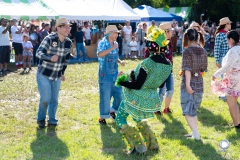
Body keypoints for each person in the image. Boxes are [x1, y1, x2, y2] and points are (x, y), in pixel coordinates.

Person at [115, 28, 172, 154]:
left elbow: (137, 85)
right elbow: (161, 83)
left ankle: (138, 147)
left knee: (120, 119)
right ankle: (152, 144)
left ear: (151, 46)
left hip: (136, 96)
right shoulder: (168, 64)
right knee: (138, 119)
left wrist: (122, 81)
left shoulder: (147, 63)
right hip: (150, 97)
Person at [36, 17, 72, 129]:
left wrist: (62, 72)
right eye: (65, 27)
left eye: (68, 27)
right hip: (44, 74)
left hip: (56, 75)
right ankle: (41, 119)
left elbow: (65, 60)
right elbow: (38, 53)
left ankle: (52, 120)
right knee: (46, 98)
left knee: (54, 100)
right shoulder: (49, 39)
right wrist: (49, 58)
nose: (68, 29)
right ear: (58, 28)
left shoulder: (68, 43)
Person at [181, 28, 208, 140]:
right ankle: (194, 132)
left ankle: (196, 133)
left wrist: (187, 84)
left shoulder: (186, 51)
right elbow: (204, 69)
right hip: (199, 83)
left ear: (187, 37)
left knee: (187, 109)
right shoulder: (203, 51)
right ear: (197, 37)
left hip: (189, 83)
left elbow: (187, 69)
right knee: (193, 109)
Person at [97, 25, 125, 125]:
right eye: (115, 33)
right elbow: (100, 54)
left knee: (119, 95)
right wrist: (112, 47)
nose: (117, 34)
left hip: (115, 73)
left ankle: (112, 110)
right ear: (109, 34)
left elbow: (115, 56)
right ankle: (102, 117)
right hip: (105, 75)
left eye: (117, 33)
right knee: (105, 96)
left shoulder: (116, 43)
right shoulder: (103, 43)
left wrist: (120, 61)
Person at [211, 30, 240, 128]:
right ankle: (238, 122)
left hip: (233, 79)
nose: (227, 42)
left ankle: (236, 124)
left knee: (231, 103)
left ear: (231, 39)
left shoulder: (233, 51)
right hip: (238, 79)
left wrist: (216, 74)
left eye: (228, 40)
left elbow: (227, 67)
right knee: (234, 102)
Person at [155, 22, 175, 115]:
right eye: (170, 31)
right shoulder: (158, 43)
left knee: (170, 90)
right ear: (166, 32)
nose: (172, 33)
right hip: (160, 71)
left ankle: (166, 108)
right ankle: (157, 109)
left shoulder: (169, 42)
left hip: (169, 70)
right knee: (161, 91)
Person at [214, 17, 232, 101]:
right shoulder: (220, 34)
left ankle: (228, 93)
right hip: (222, 59)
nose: (230, 25)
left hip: (230, 59)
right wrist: (217, 60)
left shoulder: (228, 33)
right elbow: (216, 48)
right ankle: (224, 95)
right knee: (223, 77)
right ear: (226, 24)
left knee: (229, 77)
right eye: (229, 23)